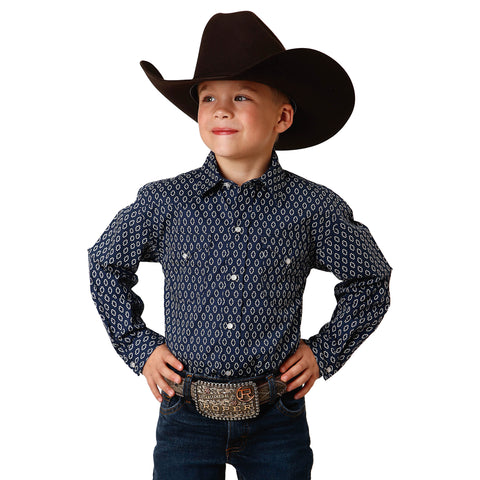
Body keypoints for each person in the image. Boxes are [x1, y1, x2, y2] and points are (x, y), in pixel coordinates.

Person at [88, 11, 392, 480]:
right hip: (185, 416)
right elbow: (105, 261)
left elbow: (370, 278)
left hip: (276, 419)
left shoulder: (314, 208)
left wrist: (325, 351)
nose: (220, 109)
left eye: (242, 96)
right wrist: (138, 346)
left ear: (282, 117)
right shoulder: (165, 201)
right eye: (208, 97)